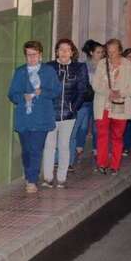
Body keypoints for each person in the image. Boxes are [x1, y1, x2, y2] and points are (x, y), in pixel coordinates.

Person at [8, 41, 61, 193]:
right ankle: (29, 174)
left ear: (40, 55)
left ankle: (32, 180)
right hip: (24, 117)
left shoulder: (48, 71)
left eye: (34, 54)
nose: (31, 58)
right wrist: (22, 97)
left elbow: (56, 91)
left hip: (41, 117)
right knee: (26, 150)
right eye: (28, 55)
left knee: (36, 149)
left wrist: (42, 92)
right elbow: (12, 94)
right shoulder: (20, 72)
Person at [44, 39, 87, 188]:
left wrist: (73, 108)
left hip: (69, 114)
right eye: (61, 49)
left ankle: (62, 178)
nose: (64, 52)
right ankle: (48, 177)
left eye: (67, 49)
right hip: (50, 113)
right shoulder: (49, 67)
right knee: (49, 145)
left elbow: (82, 91)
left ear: (72, 52)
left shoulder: (79, 68)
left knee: (64, 145)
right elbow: (44, 88)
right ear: (56, 51)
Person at [92, 38, 131, 174]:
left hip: (120, 104)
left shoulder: (127, 64)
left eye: (114, 51)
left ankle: (115, 165)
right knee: (102, 135)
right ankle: (102, 163)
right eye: (109, 51)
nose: (111, 54)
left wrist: (120, 93)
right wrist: (108, 92)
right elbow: (95, 84)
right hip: (103, 105)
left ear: (120, 51)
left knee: (117, 136)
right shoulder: (102, 64)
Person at [70, 40, 104, 166]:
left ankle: (96, 149)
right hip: (85, 100)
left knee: (96, 126)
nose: (101, 54)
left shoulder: (104, 66)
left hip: (99, 99)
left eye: (102, 52)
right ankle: (79, 148)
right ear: (91, 52)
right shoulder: (84, 65)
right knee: (82, 126)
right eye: (98, 52)